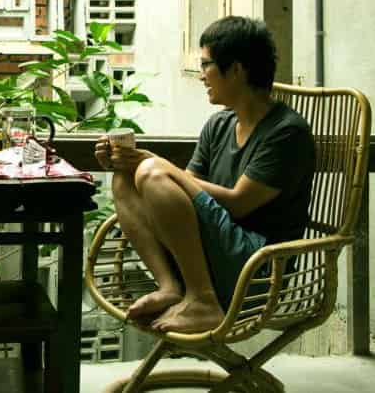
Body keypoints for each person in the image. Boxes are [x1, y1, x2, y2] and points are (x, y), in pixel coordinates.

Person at [95, 16, 315, 333]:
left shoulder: (286, 132)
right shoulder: (219, 124)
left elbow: (239, 203)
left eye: (206, 65)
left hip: (257, 268)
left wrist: (158, 164)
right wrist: (126, 163)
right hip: (208, 256)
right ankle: (171, 287)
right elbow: (177, 195)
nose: (201, 76)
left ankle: (203, 301)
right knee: (124, 179)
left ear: (236, 70)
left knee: (153, 173)